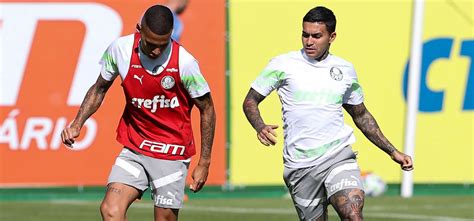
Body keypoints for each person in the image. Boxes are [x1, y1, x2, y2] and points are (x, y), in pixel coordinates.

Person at [242, 6, 413, 221]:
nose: (309, 41)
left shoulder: (345, 69)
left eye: (316, 36)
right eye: (305, 35)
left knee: (353, 214)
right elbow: (250, 101)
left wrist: (392, 151)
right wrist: (259, 126)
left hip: (338, 155)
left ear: (331, 37)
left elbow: (360, 114)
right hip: (300, 165)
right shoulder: (282, 65)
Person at [61, 5, 216, 221]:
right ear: (138, 30)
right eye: (150, 43)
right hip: (135, 147)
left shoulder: (185, 63)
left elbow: (207, 108)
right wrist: (78, 123)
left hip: (171, 152)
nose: (155, 51)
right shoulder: (120, 50)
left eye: (162, 46)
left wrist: (204, 162)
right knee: (110, 210)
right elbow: (99, 88)